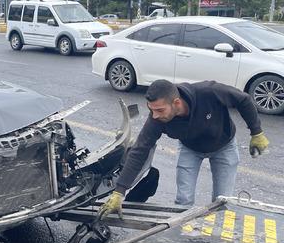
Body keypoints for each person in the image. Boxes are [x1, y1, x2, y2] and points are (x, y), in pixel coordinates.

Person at [99, 79, 268, 219]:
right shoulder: (156, 119)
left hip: (223, 145)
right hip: (190, 149)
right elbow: (139, 150)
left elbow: (243, 99)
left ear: (176, 103)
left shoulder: (208, 92)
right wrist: (120, 191)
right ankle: (183, 239)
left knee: (223, 200)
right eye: (151, 110)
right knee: (183, 200)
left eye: (159, 110)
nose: (155, 115)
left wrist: (256, 132)